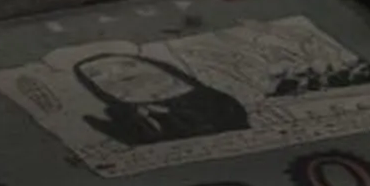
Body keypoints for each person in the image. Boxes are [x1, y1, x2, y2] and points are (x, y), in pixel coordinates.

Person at [72, 44, 251, 149]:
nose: (116, 74)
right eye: (96, 74)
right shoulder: (128, 122)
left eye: (127, 65)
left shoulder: (217, 102)